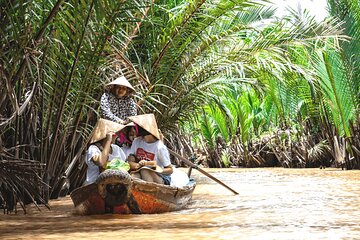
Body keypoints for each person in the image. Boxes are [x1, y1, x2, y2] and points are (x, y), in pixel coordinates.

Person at [126, 114, 173, 185]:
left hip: (161, 177)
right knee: (134, 176)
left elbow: (170, 170)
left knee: (144, 170)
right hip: (141, 172)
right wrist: (140, 164)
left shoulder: (160, 147)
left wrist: (157, 169)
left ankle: (150, 192)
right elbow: (130, 161)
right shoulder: (137, 141)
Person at [84, 118, 127, 185]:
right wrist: (108, 140)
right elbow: (101, 162)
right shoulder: (93, 149)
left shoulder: (116, 148)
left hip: (114, 185)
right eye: (114, 135)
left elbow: (125, 165)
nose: (116, 136)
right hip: (94, 185)